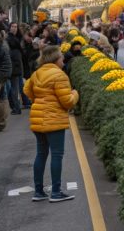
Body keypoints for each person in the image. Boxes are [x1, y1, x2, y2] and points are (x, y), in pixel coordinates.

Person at [24, 45, 79, 202]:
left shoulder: (36, 74)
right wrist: (75, 94)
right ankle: (56, 192)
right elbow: (67, 102)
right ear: (55, 59)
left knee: (41, 154)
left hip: (37, 118)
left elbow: (27, 91)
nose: (63, 60)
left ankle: (39, 191)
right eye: (61, 57)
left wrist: (38, 101)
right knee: (57, 154)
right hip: (53, 120)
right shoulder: (59, 75)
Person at [6, 22, 24, 115]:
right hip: (14, 67)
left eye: (16, 26)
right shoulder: (11, 40)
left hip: (16, 67)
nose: (14, 28)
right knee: (14, 88)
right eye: (12, 26)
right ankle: (16, 107)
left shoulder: (17, 39)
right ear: (9, 28)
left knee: (14, 88)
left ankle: (15, 107)